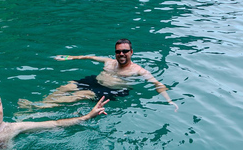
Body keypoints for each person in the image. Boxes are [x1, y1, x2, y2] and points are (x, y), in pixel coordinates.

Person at [19, 39, 178, 111]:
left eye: (125, 51)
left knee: (81, 95)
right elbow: (87, 56)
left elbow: (158, 84)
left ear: (131, 52)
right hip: (95, 81)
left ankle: (36, 107)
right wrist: (66, 57)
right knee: (66, 86)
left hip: (112, 90)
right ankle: (41, 101)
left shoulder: (139, 71)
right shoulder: (108, 62)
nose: (121, 54)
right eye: (118, 51)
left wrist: (169, 101)